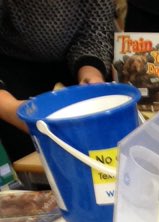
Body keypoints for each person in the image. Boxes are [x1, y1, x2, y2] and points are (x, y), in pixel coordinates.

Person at [0, 0, 116, 163]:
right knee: (30, 159)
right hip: (11, 71)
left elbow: (95, 33)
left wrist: (91, 75)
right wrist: (9, 107)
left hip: (73, 68)